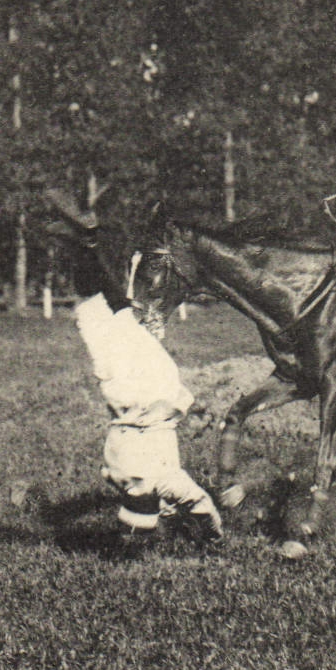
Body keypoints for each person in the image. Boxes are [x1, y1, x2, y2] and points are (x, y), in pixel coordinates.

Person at [55, 196, 222, 542]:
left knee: (110, 315)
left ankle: (86, 244)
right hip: (148, 396)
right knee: (107, 314)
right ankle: (85, 244)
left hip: (150, 393)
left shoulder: (167, 483)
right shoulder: (169, 483)